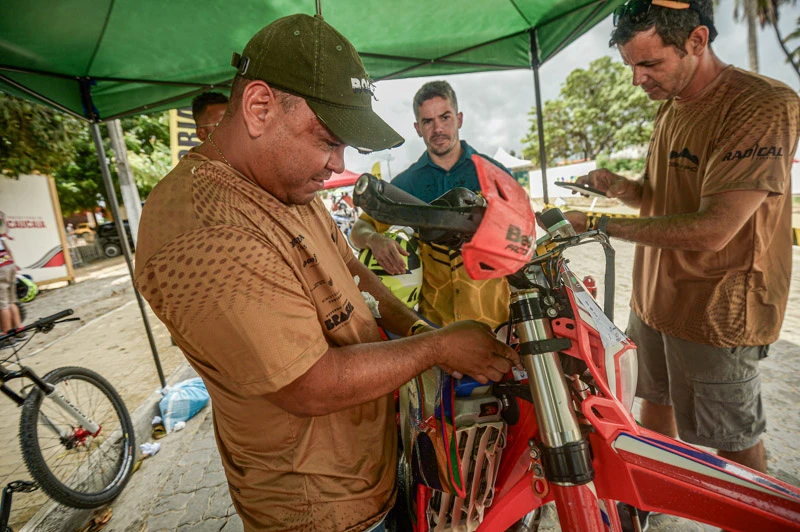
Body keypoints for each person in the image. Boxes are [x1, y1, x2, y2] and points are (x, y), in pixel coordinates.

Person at [134, 15, 519, 531]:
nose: (337, 164)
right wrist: (436, 349)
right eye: (327, 139)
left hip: (371, 473)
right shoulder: (201, 228)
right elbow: (306, 385)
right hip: (318, 508)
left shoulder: (287, 185)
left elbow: (356, 274)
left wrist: (423, 330)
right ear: (259, 108)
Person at [568, 0, 799, 477]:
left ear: (697, 41)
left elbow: (714, 227)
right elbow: (661, 199)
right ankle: (652, 503)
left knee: (733, 443)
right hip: (655, 299)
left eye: (649, 64)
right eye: (631, 66)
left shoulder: (761, 104)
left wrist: (597, 226)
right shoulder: (671, 106)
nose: (638, 80)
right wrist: (620, 187)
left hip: (715, 309)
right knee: (653, 404)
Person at [350, 81, 511, 329]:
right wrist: (375, 240)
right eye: (428, 121)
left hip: (496, 325)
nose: (438, 128)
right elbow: (358, 230)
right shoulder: (405, 184)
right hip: (436, 331)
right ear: (417, 128)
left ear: (459, 118)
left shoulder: (494, 175)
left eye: (445, 117)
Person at [0, 216, 22, 348]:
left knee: (2, 304)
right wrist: (14, 264)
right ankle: (19, 329)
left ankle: (7, 335)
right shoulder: (1, 235)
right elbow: (8, 250)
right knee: (12, 301)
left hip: (0, 270)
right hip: (9, 265)